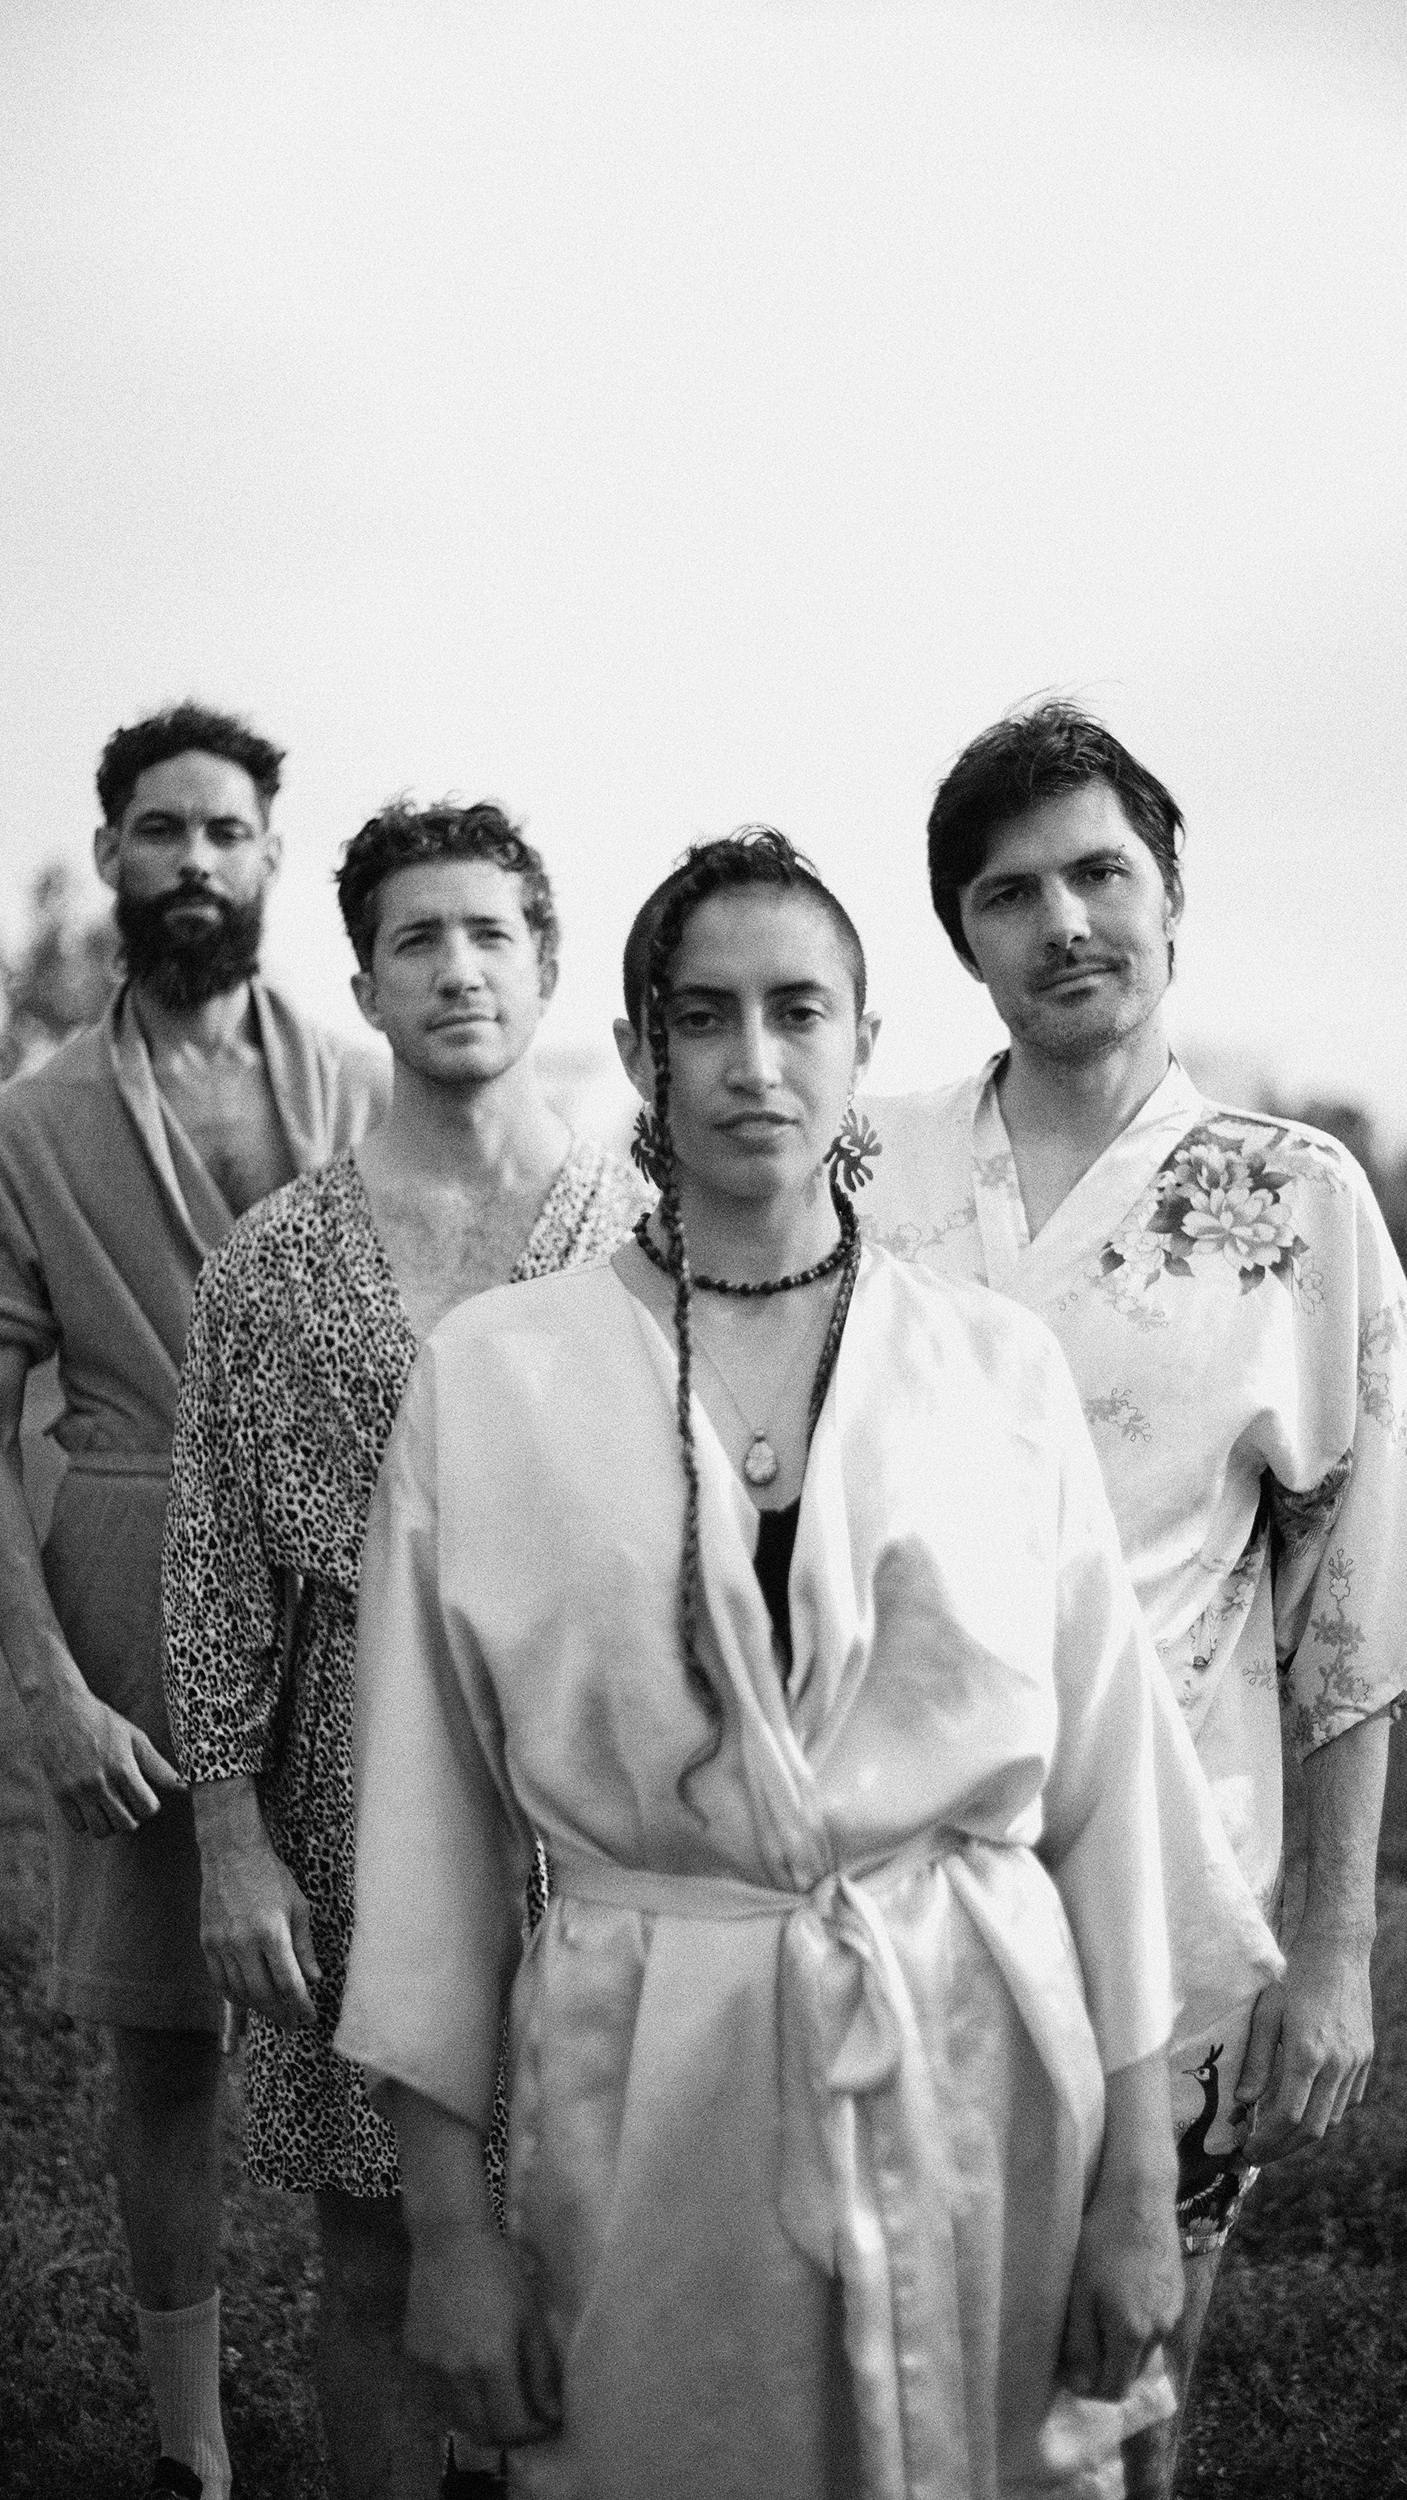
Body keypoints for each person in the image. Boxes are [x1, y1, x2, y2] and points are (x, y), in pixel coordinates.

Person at [335, 828, 1280, 2500]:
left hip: (974, 2060)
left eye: (797, 1011)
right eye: (702, 1017)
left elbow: (1109, 1801)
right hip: (648, 2075)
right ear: (636, 1049)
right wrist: (447, 2236)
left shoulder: (990, 1368)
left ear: (863, 1043)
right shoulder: (494, 1382)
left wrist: (1139, 2189)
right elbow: (425, 1841)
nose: (752, 1063)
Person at [855, 701, 1407, 2490]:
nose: (1065, 922)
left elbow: (1349, 1612)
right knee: (879, 2364)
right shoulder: (859, 1166)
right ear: (962, 939)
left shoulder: (1295, 1202)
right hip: (879, 1872)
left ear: (1172, 898)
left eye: (1100, 875)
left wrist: (1330, 1951)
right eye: (1009, 894)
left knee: (1125, 2382)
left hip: (1174, 1876)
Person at [160, 801, 646, 2500]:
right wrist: (231, 1840)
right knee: (377, 2248)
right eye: (416, 939)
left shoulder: (647, 1232)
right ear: (364, 984)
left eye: (489, 933)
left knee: (604, 2237)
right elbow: (217, 1565)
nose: (457, 969)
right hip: (349, 1790)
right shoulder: (275, 1262)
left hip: (605, 1779)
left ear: (547, 966)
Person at [0, 702, 385, 2500]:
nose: (194, 863)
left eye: (226, 833)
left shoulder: (363, 1082)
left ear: (271, 860)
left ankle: (443, 2396)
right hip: (131, 1588)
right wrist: (49, 1689)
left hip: (356, 1591)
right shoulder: (33, 1120)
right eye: (161, 831)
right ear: (111, 855)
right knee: (167, 2053)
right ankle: (191, 2450)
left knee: (411, 2015)